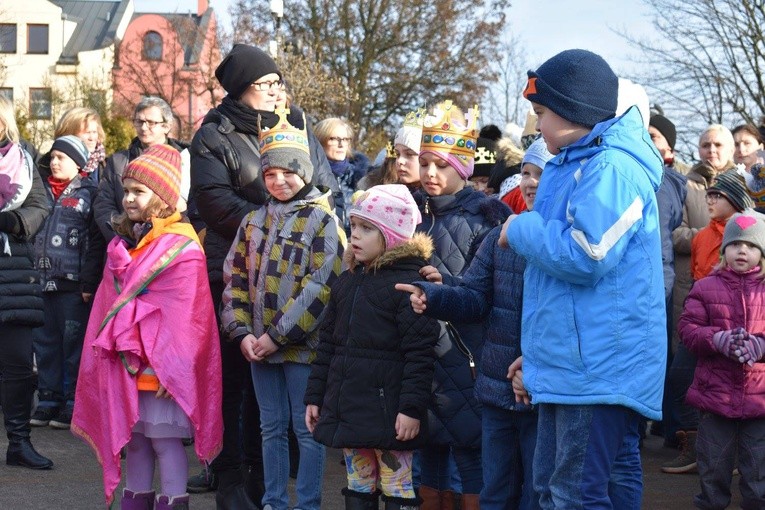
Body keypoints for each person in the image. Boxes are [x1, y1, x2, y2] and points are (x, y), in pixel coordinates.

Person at [501, 49, 665, 508]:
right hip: (576, 365)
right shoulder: (578, 162)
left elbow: (587, 253)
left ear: (573, 112)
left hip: (595, 370)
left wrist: (521, 228)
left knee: (573, 494)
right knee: (569, 486)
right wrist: (534, 354)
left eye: (541, 114)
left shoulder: (612, 168)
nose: (536, 127)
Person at [398, 139, 550, 510]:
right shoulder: (502, 238)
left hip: (535, 385)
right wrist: (433, 294)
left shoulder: (558, 242)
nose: (530, 183)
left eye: (542, 175)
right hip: (494, 383)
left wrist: (533, 361)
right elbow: (473, 294)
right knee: (494, 489)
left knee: (534, 488)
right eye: (525, 173)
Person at [71, 144, 223, 509]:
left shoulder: (183, 247)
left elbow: (188, 319)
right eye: (126, 191)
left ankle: (174, 501)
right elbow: (109, 308)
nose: (128, 199)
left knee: (164, 441)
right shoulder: (125, 244)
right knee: (135, 441)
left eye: (139, 191)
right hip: (126, 364)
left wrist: (177, 371)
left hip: (162, 369)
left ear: (164, 197)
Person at [220, 108, 346, 510]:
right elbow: (235, 281)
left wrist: (276, 336)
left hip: (300, 348)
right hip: (257, 346)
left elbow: (321, 287)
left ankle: (306, 502)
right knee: (269, 427)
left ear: (305, 171)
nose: (278, 180)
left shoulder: (322, 221)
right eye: (270, 173)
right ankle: (274, 500)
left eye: (288, 172)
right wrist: (241, 333)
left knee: (305, 429)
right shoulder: (252, 221)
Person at [305, 184, 440, 510]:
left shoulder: (409, 285)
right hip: (348, 408)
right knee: (358, 482)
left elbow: (420, 354)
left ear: (391, 236)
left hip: (391, 412)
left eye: (367, 228)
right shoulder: (346, 282)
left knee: (397, 484)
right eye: (353, 226)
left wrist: (410, 408)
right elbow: (327, 347)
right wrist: (315, 396)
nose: (355, 236)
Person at [415, 100, 511, 509]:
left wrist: (448, 285)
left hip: (466, 352)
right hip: (420, 350)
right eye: (425, 164)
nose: (431, 174)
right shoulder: (412, 217)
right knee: (428, 454)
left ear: (464, 167)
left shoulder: (485, 219)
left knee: (470, 452)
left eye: (442, 165)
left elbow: (491, 290)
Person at [678, 212, 765, 510]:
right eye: (736, 244)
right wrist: (718, 339)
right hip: (716, 397)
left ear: (762, 254)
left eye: (752, 246)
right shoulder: (705, 287)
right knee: (713, 469)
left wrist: (759, 346)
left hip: (760, 401)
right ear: (723, 249)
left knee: (758, 475)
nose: (743, 250)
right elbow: (687, 330)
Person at [666, 124, 737, 474]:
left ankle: (726, 456)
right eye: (706, 144)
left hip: (735, 306)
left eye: (718, 144)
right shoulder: (687, 182)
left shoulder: (749, 195)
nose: (712, 150)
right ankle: (694, 445)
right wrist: (706, 234)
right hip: (694, 295)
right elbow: (673, 231)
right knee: (685, 375)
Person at [29, 135, 97, 431]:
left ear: (79, 164)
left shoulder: (88, 192)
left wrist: (88, 281)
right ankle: (47, 398)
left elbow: (94, 241)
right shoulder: (38, 191)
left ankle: (71, 400)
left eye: (63, 157)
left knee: (73, 344)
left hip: (72, 284)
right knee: (44, 343)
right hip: (39, 281)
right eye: (53, 156)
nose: (55, 162)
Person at [0, 96, 53, 470]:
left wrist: (13, 223)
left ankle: (19, 443)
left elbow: (40, 204)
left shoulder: (23, 158)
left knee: (19, 365)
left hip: (14, 273)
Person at [94, 96, 188, 242]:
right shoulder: (118, 162)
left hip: (169, 244)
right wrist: (124, 237)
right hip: (124, 244)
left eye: (151, 122)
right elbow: (103, 206)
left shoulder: (185, 160)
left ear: (166, 126)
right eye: (139, 121)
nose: (144, 127)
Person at [648, 113, 688, 445]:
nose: (649, 140)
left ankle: (672, 429)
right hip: (639, 279)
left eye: (655, 136)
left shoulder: (678, 184)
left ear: (668, 146)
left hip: (666, 280)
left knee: (667, 355)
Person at [691, 171, 753, 281]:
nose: (710, 201)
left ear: (735, 201)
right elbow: (694, 274)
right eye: (709, 196)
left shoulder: (749, 235)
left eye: (717, 196)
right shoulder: (701, 236)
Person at [314, 117, 370, 229]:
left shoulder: (364, 178)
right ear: (320, 141)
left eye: (345, 139)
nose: (341, 144)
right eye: (334, 139)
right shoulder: (310, 178)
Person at [732, 124, 765, 209]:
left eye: (747, 143)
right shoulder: (724, 181)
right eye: (736, 144)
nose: (741, 149)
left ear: (760, 147)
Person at [393, 109, 424, 194]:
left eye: (409, 154)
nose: (400, 161)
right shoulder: (391, 195)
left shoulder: (439, 203)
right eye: (397, 154)